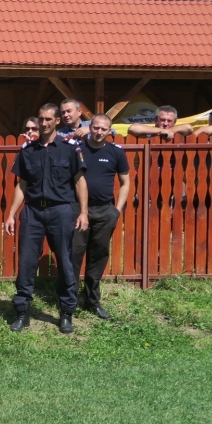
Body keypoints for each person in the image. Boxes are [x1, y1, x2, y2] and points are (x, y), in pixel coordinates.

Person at [4, 103, 89, 334]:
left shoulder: (70, 149)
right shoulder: (28, 150)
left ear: (56, 121)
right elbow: (22, 185)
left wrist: (83, 212)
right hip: (32, 212)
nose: (44, 123)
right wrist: (11, 214)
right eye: (41, 119)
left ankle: (66, 314)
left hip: (60, 211)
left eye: (48, 119)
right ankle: (22, 312)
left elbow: (80, 181)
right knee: (27, 262)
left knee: (65, 262)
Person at [70, 114, 131, 320]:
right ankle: (69, 300)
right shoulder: (77, 150)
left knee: (98, 257)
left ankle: (92, 301)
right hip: (79, 211)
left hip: (105, 211)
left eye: (103, 129)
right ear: (90, 127)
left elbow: (125, 183)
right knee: (73, 255)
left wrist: (117, 210)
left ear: (109, 131)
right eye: (95, 128)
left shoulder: (116, 153)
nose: (98, 132)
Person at [128, 105, 192, 140]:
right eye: (162, 120)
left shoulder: (178, 133)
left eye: (169, 121)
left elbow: (188, 128)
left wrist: (169, 131)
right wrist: (161, 131)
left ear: (175, 122)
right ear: (156, 120)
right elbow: (133, 128)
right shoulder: (148, 132)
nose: (166, 124)